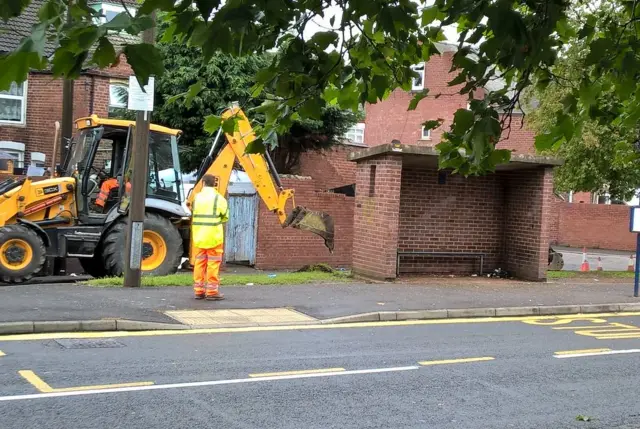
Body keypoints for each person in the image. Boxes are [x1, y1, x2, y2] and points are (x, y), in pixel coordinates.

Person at [191, 174, 229, 300]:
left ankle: (199, 291)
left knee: (200, 263)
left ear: (203, 183)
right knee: (213, 263)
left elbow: (193, 213)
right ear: (215, 184)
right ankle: (212, 292)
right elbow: (225, 216)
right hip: (214, 236)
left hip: (199, 236)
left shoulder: (197, 198)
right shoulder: (219, 198)